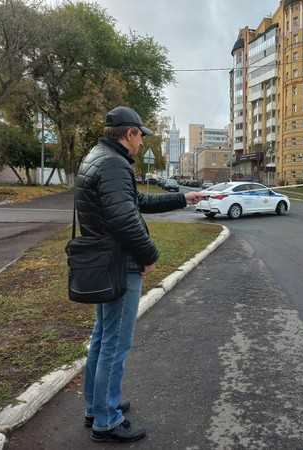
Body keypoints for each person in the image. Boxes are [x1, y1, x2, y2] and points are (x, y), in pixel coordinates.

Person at [75, 106, 206, 443]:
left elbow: (135, 202)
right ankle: (106, 420)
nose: (141, 144)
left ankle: (98, 406)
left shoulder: (98, 157)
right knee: (115, 344)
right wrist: (149, 255)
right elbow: (124, 219)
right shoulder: (115, 164)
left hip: (104, 262)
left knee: (103, 339)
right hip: (119, 263)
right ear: (130, 133)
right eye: (140, 137)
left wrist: (182, 198)